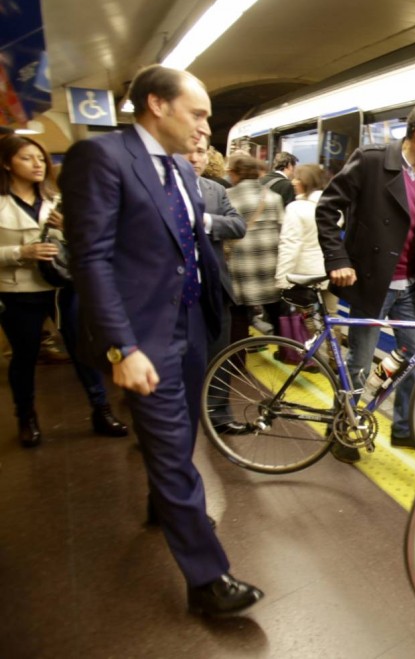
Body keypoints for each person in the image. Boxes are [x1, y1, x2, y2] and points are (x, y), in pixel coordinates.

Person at [61, 65, 263, 617]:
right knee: (176, 451)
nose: (205, 128)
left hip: (193, 323)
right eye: (197, 114)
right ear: (157, 104)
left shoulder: (176, 167)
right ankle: (207, 579)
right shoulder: (101, 159)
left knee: (183, 433)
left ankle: (163, 505)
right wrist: (121, 348)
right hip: (146, 336)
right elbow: (93, 261)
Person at [316, 100, 415, 461]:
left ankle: (405, 430)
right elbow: (327, 208)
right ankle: (342, 430)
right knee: (360, 362)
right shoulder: (372, 160)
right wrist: (338, 259)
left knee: (414, 358)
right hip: (373, 283)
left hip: (411, 285)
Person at [0, 135, 128, 447]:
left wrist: (69, 226)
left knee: (83, 350)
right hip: (19, 290)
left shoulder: (57, 199)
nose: (37, 165)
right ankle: (27, 417)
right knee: (25, 355)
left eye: (40, 159)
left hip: (64, 287)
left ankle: (101, 409)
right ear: (6, 164)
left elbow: (91, 241)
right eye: (27, 158)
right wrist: (20, 252)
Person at [186, 135, 247, 434]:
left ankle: (219, 415)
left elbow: (238, 225)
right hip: (176, 292)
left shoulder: (214, 189)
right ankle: (169, 421)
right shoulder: (160, 192)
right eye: (188, 152)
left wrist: (205, 222)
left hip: (214, 287)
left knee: (219, 354)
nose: (194, 158)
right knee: (175, 360)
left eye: (200, 152)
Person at [225, 152, 284, 345]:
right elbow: (283, 230)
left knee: (238, 314)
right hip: (270, 263)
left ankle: (237, 361)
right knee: (278, 311)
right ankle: (290, 352)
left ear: (234, 173)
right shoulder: (273, 197)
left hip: (240, 265)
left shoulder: (227, 197)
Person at [275, 163, 328, 289]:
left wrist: (282, 279)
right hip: (330, 271)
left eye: (297, 179)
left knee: (305, 308)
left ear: (306, 182)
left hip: (305, 276)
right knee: (329, 309)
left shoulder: (296, 208)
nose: (293, 182)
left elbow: (290, 245)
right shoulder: (332, 207)